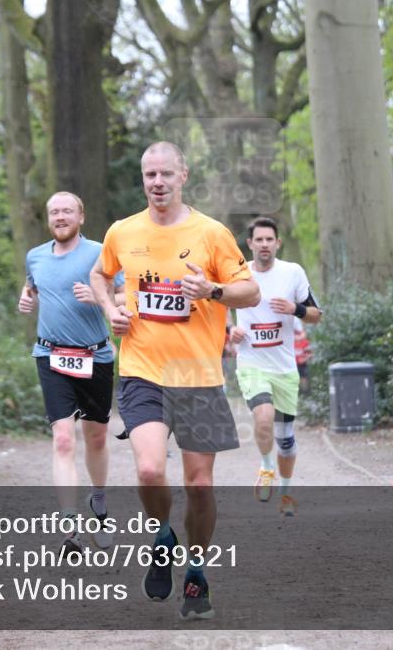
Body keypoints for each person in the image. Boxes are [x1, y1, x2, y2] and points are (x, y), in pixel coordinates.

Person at [90, 142, 259, 621]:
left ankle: (196, 569)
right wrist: (109, 310)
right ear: (143, 179)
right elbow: (100, 275)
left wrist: (213, 290)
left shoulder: (211, 233)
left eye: (166, 173)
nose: (157, 182)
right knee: (149, 470)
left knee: (200, 484)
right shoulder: (123, 231)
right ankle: (163, 535)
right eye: (150, 174)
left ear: (183, 175)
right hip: (143, 370)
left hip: (197, 375)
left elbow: (250, 291)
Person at [18, 191, 123, 555]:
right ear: (49, 218)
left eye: (67, 211)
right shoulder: (35, 256)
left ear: (81, 217)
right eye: (54, 212)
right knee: (63, 439)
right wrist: (26, 298)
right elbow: (32, 287)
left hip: (95, 356)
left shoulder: (100, 252)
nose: (60, 217)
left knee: (96, 438)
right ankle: (69, 528)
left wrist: (100, 298)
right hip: (51, 355)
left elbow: (127, 295)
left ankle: (99, 500)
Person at [229, 216, 321, 517]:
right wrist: (230, 331)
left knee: (286, 440)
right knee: (264, 417)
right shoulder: (238, 275)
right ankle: (267, 467)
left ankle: (286, 492)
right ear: (250, 244)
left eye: (270, 239)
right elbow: (215, 308)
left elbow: (316, 315)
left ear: (278, 243)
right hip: (251, 363)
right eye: (259, 240)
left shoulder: (292, 273)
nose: (265, 244)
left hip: (284, 367)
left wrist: (295, 308)